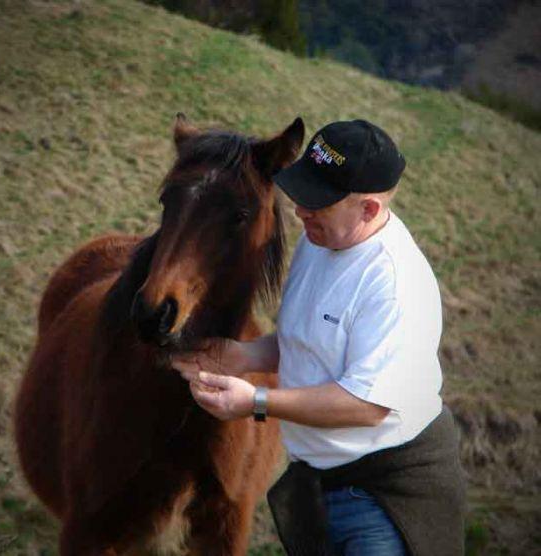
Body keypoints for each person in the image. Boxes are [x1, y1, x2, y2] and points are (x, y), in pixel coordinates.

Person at [172, 120, 466, 556]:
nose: (299, 210)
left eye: (319, 201)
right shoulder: (322, 239)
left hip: (385, 498)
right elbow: (313, 340)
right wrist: (243, 355)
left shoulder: (393, 283)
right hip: (320, 484)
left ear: (367, 209)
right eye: (302, 192)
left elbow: (366, 404)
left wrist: (255, 402)